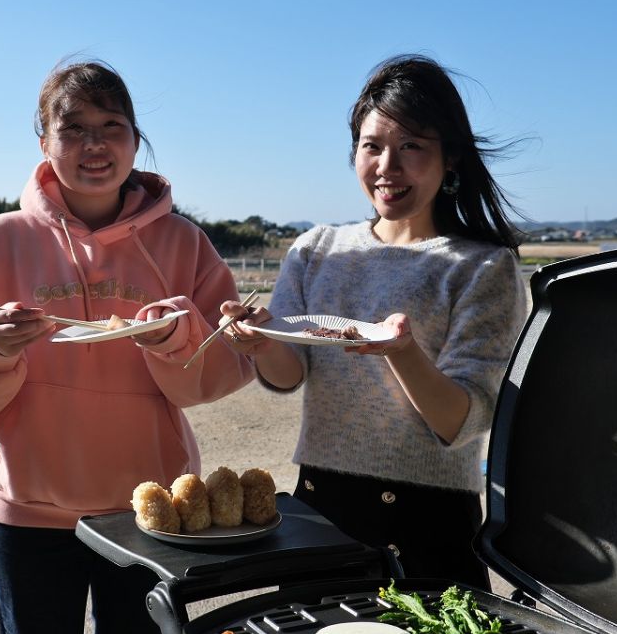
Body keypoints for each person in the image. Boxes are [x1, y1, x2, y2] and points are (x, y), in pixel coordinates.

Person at [0, 59, 254, 634]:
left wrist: (172, 339)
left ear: (136, 142)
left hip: (146, 513)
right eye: (72, 129)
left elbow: (228, 361)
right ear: (43, 142)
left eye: (112, 127)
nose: (95, 146)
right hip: (25, 514)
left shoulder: (181, 243)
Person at [221, 54, 526, 589]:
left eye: (411, 146)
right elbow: (290, 373)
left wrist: (402, 352)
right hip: (320, 505)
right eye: (372, 146)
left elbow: (465, 420)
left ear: (450, 156)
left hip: (430, 520)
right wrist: (260, 342)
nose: (388, 166)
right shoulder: (317, 250)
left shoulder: (483, 267)